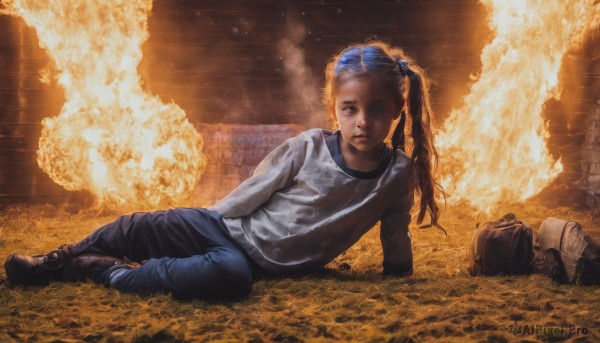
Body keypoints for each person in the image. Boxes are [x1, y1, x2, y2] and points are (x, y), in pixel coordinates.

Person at [4, 41, 443, 301]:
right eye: (350, 109)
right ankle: (59, 259)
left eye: (376, 109)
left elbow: (396, 226)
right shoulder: (308, 147)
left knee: (229, 278)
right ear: (335, 109)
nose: (362, 121)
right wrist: (204, 222)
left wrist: (399, 273)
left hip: (251, 263)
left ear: (398, 110)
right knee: (143, 225)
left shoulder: (396, 173)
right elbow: (257, 188)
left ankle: (107, 270)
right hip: (225, 226)